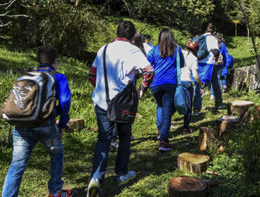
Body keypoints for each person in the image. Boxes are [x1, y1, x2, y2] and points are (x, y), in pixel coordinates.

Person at [87, 21, 154, 196]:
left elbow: (92, 75)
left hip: (101, 100)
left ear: (117, 32)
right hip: (123, 102)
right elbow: (149, 71)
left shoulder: (103, 49)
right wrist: (142, 89)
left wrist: (101, 86)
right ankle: (122, 173)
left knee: (103, 139)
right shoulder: (133, 50)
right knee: (124, 137)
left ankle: (95, 178)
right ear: (133, 37)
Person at [2, 46, 72, 197]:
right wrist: (62, 124)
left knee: (17, 165)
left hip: (22, 123)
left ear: (39, 60)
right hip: (45, 124)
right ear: (56, 61)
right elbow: (65, 101)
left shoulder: (26, 76)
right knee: (57, 154)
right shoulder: (58, 77)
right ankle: (55, 191)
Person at [146, 28, 184, 152]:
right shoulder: (177, 50)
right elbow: (182, 64)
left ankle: (160, 130)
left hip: (155, 85)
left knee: (160, 105)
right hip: (170, 84)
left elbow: (148, 66)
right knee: (167, 112)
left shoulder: (154, 50)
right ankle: (164, 141)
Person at [197, 23, 226, 109]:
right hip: (209, 63)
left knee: (199, 84)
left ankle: (196, 106)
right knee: (213, 83)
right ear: (214, 32)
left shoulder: (200, 38)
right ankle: (219, 103)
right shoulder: (213, 39)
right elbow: (216, 52)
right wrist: (215, 57)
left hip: (199, 62)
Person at [180, 40, 201, 133]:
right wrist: (200, 85)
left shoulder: (179, 52)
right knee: (188, 106)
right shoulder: (194, 57)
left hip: (176, 82)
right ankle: (185, 128)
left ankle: (164, 128)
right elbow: (195, 75)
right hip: (187, 83)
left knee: (172, 105)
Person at [210, 33, 229, 100]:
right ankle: (218, 94)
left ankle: (212, 94)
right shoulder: (222, 45)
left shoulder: (211, 45)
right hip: (220, 64)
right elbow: (225, 56)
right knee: (217, 79)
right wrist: (225, 65)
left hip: (212, 64)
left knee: (213, 80)